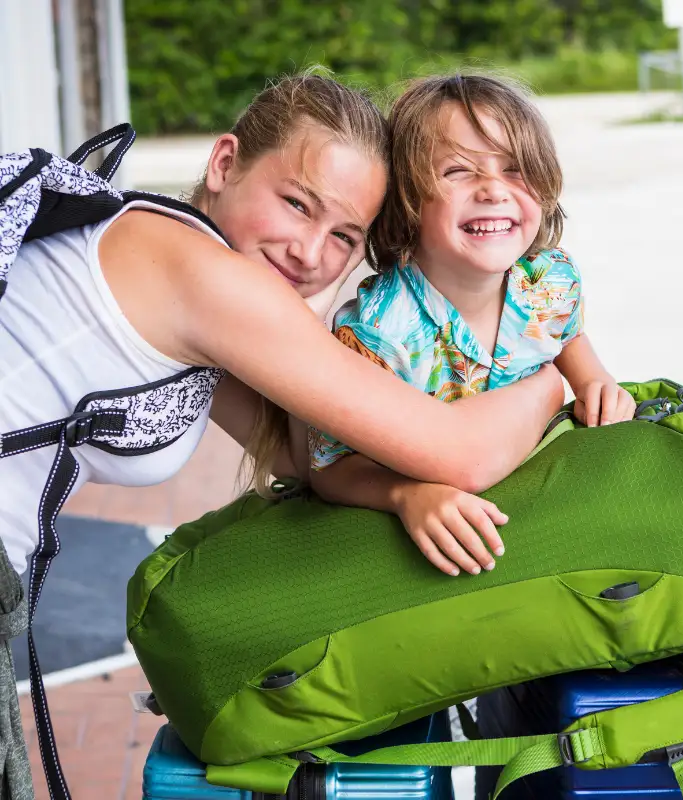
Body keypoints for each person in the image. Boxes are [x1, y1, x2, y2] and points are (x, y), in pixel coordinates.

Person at [0, 73, 563, 793]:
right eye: (297, 204)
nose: (308, 251)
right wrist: (552, 377)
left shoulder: (182, 259)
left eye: (344, 237)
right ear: (225, 163)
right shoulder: (207, 278)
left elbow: (303, 456)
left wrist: (390, 467)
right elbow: (462, 454)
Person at [307, 74, 636, 578]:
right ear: (407, 198)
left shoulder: (548, 279)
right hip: (434, 554)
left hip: (535, 523)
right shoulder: (376, 336)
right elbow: (328, 469)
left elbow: (565, 332)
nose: (493, 191)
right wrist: (407, 495)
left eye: (516, 169)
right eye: (458, 170)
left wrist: (594, 379)